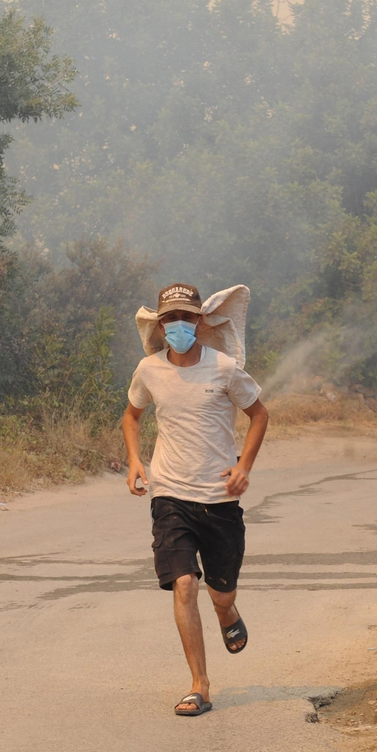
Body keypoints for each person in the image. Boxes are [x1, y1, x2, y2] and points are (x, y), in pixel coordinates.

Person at [123, 282, 269, 717]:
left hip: (219, 499)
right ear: (160, 325)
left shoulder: (224, 368)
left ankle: (226, 611)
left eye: (186, 317)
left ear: (200, 321)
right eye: (170, 318)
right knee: (184, 583)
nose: (179, 325)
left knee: (221, 593)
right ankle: (199, 685)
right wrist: (135, 461)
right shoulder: (149, 370)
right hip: (170, 494)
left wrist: (243, 467)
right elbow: (131, 416)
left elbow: (259, 414)